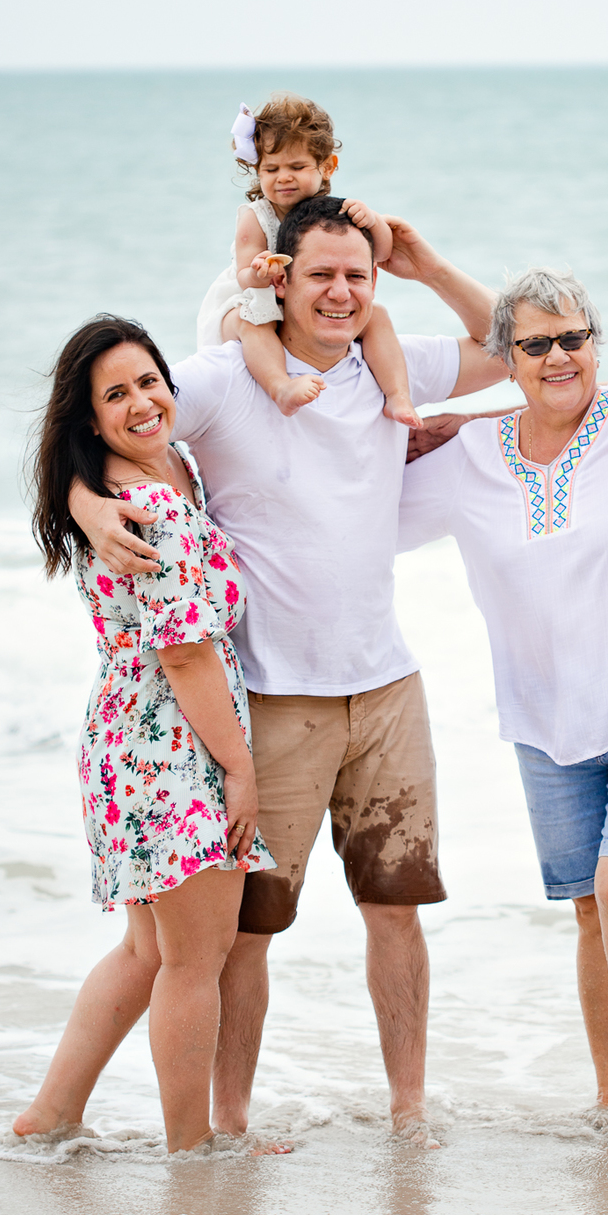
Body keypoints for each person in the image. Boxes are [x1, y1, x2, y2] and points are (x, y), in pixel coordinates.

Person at [72, 196, 504, 1143]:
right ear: (280, 279)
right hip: (272, 700)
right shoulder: (226, 380)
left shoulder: (389, 366)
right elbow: (119, 427)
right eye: (320, 275)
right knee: (247, 932)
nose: (341, 293)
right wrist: (84, 501)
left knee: (397, 911)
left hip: (386, 685)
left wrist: (427, 262)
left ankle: (409, 1111)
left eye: (357, 276)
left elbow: (511, 347)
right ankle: (228, 1122)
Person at [398, 270, 608, 1115]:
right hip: (541, 722)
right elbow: (357, 515)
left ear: (596, 342)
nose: (559, 357)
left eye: (573, 339)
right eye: (535, 345)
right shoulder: (469, 458)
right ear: (508, 359)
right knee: (591, 909)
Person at [13, 315, 277, 1154]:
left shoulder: (167, 469)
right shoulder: (151, 504)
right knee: (193, 960)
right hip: (173, 745)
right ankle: (190, 1150)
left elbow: (236, 311)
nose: (141, 403)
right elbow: (186, 652)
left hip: (128, 739)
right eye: (115, 395)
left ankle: (50, 1114)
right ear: (91, 420)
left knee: (146, 951)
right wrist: (239, 769)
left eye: (149, 382)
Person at [197, 92, 419, 424]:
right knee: (256, 323)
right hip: (251, 296)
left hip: (298, 300)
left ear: (327, 166)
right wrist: (260, 272)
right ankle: (280, 387)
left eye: (297, 167)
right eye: (271, 169)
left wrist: (373, 221)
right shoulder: (255, 217)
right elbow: (243, 274)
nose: (283, 177)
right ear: (257, 170)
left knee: (379, 316)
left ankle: (398, 396)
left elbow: (383, 252)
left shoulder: (333, 212)